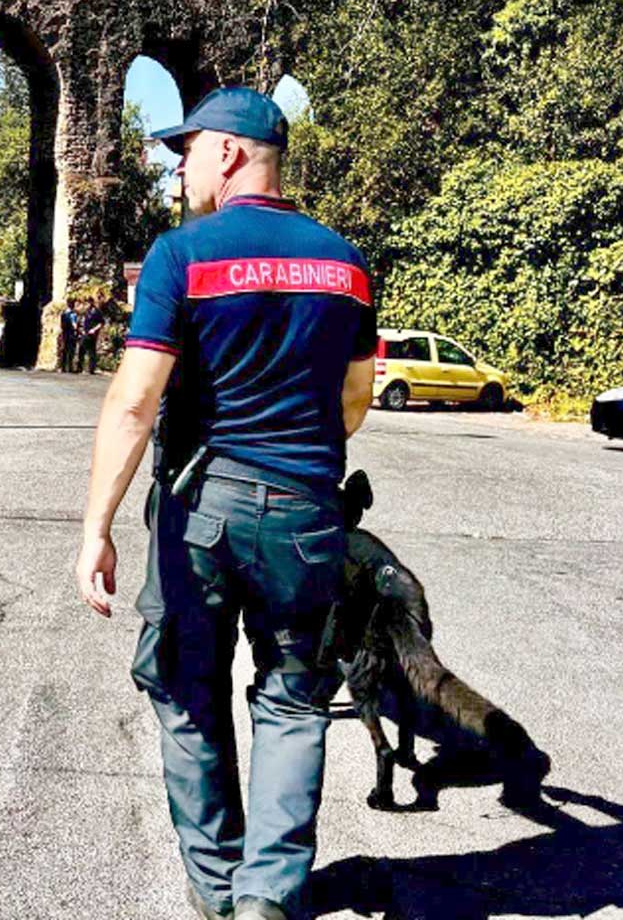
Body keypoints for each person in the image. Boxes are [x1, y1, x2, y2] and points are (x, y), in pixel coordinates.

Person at [74, 87, 376, 920]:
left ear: (232, 155)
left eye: (190, 147)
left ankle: (216, 889)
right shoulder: (345, 263)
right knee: (291, 696)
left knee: (184, 685)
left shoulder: (184, 254)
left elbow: (136, 402)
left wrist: (96, 527)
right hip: (309, 513)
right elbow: (355, 400)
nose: (181, 162)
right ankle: (268, 897)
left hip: (202, 507)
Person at [77, 300, 105, 374]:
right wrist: (81, 330)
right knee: (81, 349)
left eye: (87, 303)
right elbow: (81, 321)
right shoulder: (86, 311)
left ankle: (91, 369)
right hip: (85, 333)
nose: (86, 304)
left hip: (92, 334)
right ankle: (79, 368)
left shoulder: (97, 312)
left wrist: (94, 330)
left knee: (91, 351)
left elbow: (101, 323)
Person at [59, 300, 82, 372]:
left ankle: (70, 367)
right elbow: (62, 325)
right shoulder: (64, 313)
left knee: (72, 350)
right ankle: (63, 367)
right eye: (70, 303)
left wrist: (77, 331)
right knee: (65, 350)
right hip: (66, 333)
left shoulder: (75, 314)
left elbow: (77, 324)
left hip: (73, 334)